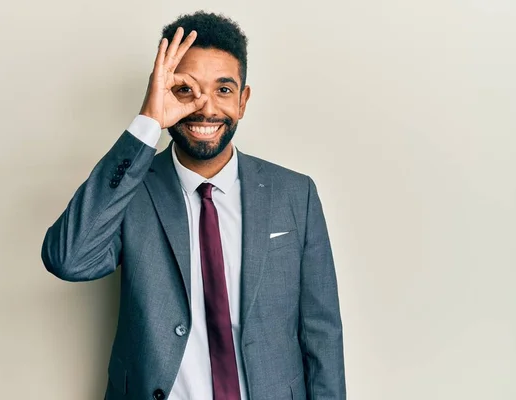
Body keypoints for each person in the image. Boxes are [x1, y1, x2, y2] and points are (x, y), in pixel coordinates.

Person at [41, 10, 346, 400]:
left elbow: (322, 333)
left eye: (223, 89)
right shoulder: (131, 192)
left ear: (243, 101)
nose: (206, 108)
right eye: (186, 89)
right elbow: (68, 259)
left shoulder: (295, 194)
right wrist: (148, 122)